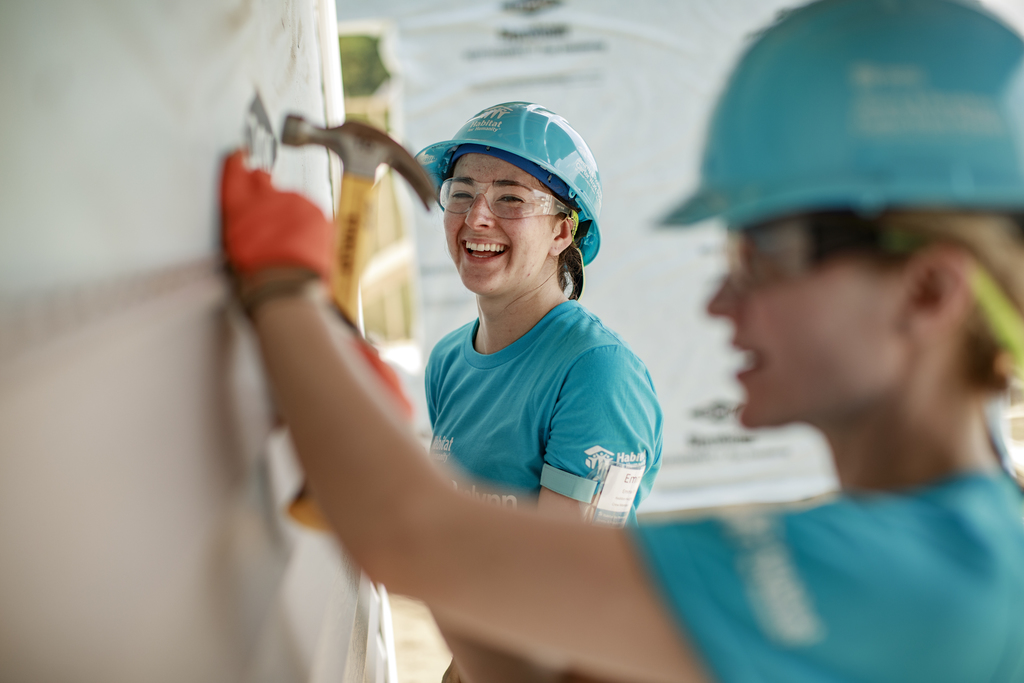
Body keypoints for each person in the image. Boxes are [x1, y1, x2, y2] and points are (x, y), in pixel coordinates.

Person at [220, 0, 1024, 681]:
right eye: (463, 194)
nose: (717, 301)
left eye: (765, 261)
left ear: (928, 291)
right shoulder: (958, 547)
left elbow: (429, 546)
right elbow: (515, 643)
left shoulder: (922, 578)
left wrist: (288, 290)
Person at [415, 102, 662, 523]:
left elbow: (567, 575)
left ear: (562, 231)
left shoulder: (598, 374)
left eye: (510, 198)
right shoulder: (448, 360)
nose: (477, 217)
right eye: (461, 194)